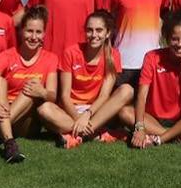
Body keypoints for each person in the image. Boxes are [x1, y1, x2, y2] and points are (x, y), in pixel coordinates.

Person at [0, 6, 59, 163]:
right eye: (29, 31)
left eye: (38, 32)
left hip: (25, 121)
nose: (34, 37)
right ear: (21, 31)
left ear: (44, 34)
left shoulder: (50, 58)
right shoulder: (6, 56)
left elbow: (52, 95)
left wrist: (41, 92)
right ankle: (9, 143)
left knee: (32, 87)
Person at [37, 10, 134, 147]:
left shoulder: (113, 55)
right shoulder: (71, 52)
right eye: (89, 30)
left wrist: (87, 115)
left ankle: (77, 135)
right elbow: (65, 96)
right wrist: (78, 119)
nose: (94, 35)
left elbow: (104, 95)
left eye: (99, 30)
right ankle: (98, 133)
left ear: (107, 33)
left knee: (127, 90)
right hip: (71, 111)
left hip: (96, 111)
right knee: (44, 109)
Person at [121, 10, 181, 148]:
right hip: (153, 119)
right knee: (124, 112)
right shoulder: (152, 57)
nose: (179, 44)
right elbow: (142, 95)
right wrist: (140, 128)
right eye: (175, 39)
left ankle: (160, 137)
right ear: (166, 38)